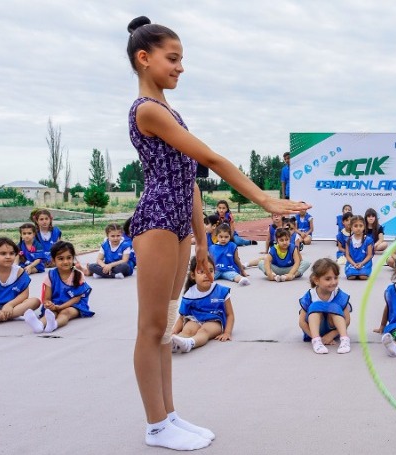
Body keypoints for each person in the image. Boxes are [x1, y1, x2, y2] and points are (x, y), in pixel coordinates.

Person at [125, 16, 308, 450]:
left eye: (182, 59)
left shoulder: (171, 110)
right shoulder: (147, 110)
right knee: (151, 329)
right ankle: (155, 426)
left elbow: (190, 180)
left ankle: (168, 415)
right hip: (154, 222)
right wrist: (263, 199)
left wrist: (202, 240)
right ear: (144, 58)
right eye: (173, 59)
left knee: (168, 328)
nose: (180, 67)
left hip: (178, 227)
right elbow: (212, 160)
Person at [23, 241, 93, 334]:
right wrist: (49, 304)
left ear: (73, 258)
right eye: (61, 258)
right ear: (53, 260)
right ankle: (39, 325)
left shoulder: (77, 274)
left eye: (69, 258)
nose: (65, 262)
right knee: (50, 313)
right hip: (56, 304)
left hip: (75, 305)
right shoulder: (51, 275)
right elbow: (47, 298)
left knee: (65, 313)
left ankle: (54, 324)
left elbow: (77, 298)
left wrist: (60, 307)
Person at [170, 255, 235, 353]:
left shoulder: (221, 291)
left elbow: (230, 315)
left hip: (214, 320)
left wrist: (227, 332)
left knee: (203, 331)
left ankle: (190, 343)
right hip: (195, 319)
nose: (206, 275)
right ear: (193, 275)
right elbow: (182, 317)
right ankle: (174, 344)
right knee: (188, 330)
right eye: (201, 272)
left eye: (210, 271)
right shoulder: (190, 294)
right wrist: (174, 332)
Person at [298, 258, 352, 354]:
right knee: (315, 306)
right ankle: (316, 341)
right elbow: (302, 322)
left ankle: (344, 339)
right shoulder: (310, 296)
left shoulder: (338, 294)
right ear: (316, 280)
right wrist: (316, 337)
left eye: (335, 277)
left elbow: (347, 320)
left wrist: (332, 334)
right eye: (328, 279)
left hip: (333, 329)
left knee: (335, 307)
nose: (333, 282)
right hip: (315, 330)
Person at [344, 215, 374, 280]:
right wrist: (354, 264)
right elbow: (347, 255)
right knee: (351, 276)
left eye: (361, 226)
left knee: (363, 276)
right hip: (352, 263)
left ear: (364, 227)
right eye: (355, 226)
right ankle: (353, 270)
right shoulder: (348, 240)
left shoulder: (368, 240)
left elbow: (369, 255)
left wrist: (361, 263)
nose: (358, 228)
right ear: (351, 227)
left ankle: (363, 270)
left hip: (365, 263)